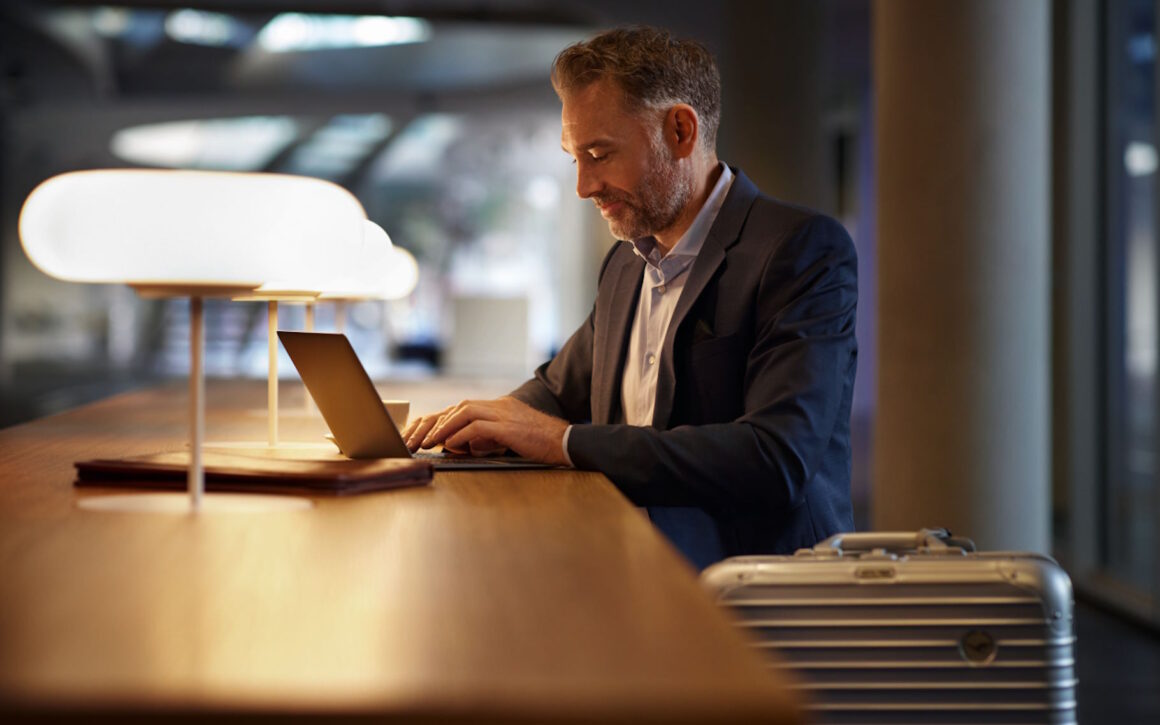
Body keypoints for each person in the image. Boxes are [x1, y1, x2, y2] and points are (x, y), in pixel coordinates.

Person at [403, 26, 857, 568]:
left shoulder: (800, 249)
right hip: (630, 566)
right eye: (576, 158)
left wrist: (563, 442)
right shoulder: (625, 262)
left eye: (599, 154)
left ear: (681, 130)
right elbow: (558, 389)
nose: (583, 186)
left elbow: (776, 457)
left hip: (752, 591)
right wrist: (474, 424)